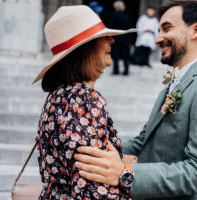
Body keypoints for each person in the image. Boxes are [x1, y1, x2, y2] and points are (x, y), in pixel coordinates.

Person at [74, 1, 197, 199]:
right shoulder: (172, 85)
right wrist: (88, 146)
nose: (158, 38)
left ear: (195, 31)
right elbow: (143, 143)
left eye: (166, 29)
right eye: (159, 30)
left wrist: (126, 174)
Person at [32, 5, 137, 199]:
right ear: (85, 48)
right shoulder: (84, 100)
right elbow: (94, 187)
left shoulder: (59, 96)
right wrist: (127, 176)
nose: (112, 40)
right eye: (103, 36)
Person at [109, 1, 133, 75]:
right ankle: (126, 70)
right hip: (125, 38)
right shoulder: (127, 16)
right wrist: (129, 39)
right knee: (125, 55)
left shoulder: (113, 15)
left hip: (116, 38)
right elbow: (130, 28)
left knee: (116, 55)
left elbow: (111, 26)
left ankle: (116, 70)